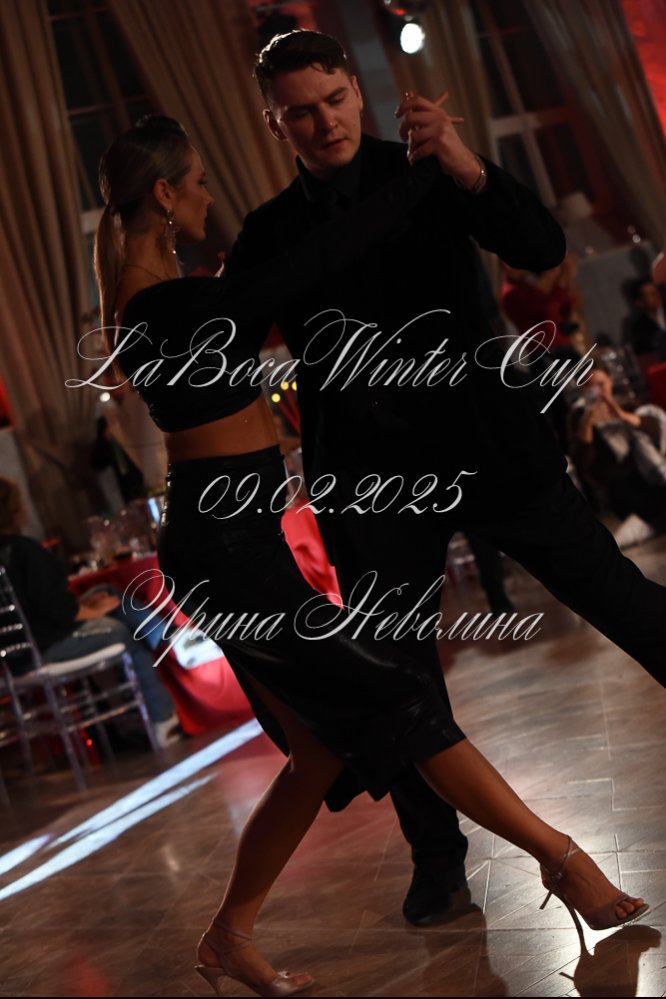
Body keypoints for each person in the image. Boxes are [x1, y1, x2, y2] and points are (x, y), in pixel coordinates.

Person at [90, 115, 651, 997]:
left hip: (239, 541)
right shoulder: (160, 306)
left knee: (319, 753)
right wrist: (422, 179)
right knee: (399, 700)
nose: (206, 194)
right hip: (227, 553)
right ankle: (561, 857)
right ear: (163, 194)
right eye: (195, 182)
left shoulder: (173, 293)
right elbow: (307, 263)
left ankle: (229, 935)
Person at [225, 29, 666, 925]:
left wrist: (469, 170)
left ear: (357, 92)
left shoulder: (432, 171)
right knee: (396, 678)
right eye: (300, 112)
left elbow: (539, 243)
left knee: (615, 593)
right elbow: (229, 338)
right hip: (371, 486)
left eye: (335, 99)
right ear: (274, 123)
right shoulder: (267, 233)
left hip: (489, 447)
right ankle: (437, 860)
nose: (324, 122)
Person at [0, 476, 180, 748]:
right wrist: (93, 612)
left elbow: (40, 606)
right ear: (14, 508)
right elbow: (59, 611)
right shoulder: (23, 550)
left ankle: (163, 633)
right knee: (122, 631)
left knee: (106, 591)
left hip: (15, 652)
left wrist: (91, 606)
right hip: (46, 646)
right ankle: (163, 720)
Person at [569, 362, 666, 548]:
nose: (597, 391)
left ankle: (643, 527)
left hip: (649, 474)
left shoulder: (626, 404)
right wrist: (586, 426)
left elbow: (655, 432)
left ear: (611, 381)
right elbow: (582, 463)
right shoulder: (578, 417)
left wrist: (622, 415)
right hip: (620, 488)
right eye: (589, 386)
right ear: (581, 390)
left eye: (601, 384)